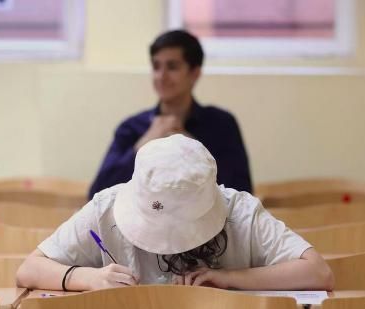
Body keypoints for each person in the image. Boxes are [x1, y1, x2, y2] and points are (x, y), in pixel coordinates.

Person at [17, 134, 334, 292]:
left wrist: (230, 278)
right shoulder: (106, 209)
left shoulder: (241, 212)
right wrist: (88, 277)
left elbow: (318, 272)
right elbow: (30, 268)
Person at [87, 29, 253, 199]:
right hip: (142, 224)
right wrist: (143, 145)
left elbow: (242, 194)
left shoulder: (222, 124)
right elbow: (97, 195)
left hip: (205, 224)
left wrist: (192, 149)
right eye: (156, 66)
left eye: (172, 67)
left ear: (194, 73)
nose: (161, 76)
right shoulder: (131, 127)